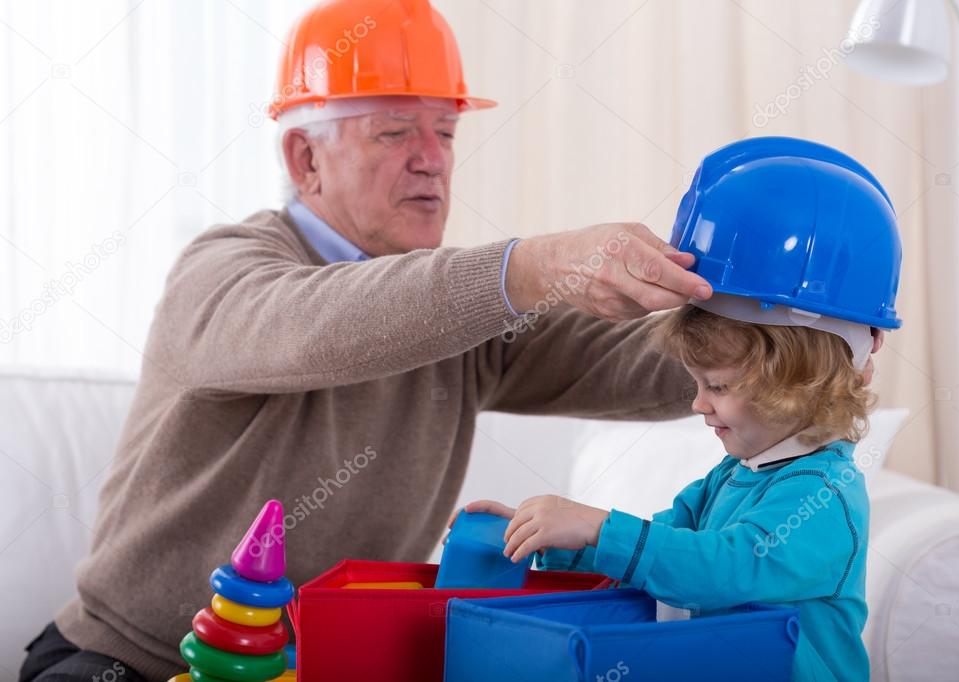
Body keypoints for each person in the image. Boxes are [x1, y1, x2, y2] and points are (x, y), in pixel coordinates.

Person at [19, 1, 766, 680]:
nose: (432, 158)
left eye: (444, 130)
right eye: (394, 130)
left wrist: (785, 345)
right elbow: (318, 326)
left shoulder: (462, 317)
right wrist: (529, 266)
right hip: (128, 660)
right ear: (304, 161)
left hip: (315, 669)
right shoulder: (221, 271)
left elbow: (644, 364)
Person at [457, 137, 902, 681]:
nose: (697, 404)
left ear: (799, 380)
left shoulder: (824, 499)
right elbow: (658, 557)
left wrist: (596, 526)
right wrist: (552, 541)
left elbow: (720, 569)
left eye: (716, 385)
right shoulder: (732, 477)